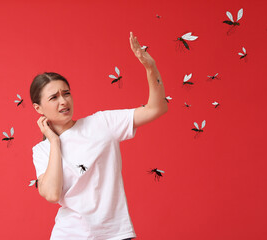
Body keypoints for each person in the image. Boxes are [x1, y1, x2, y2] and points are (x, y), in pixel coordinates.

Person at [30, 32, 168, 240]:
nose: (63, 101)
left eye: (66, 93)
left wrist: (151, 68)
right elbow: (52, 194)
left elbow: (156, 109)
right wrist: (55, 142)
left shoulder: (102, 123)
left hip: (114, 234)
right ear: (38, 108)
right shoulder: (42, 150)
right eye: (54, 97)